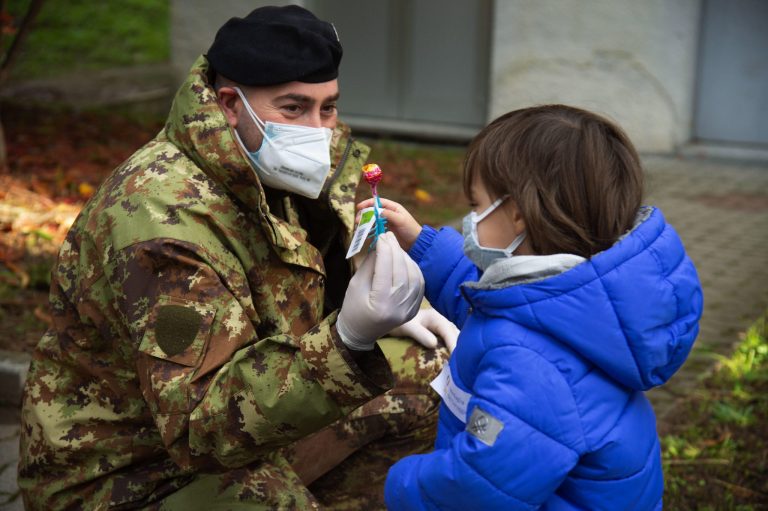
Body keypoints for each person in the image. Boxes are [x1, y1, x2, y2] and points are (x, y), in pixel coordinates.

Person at [18, 5, 456, 510]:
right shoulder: (162, 226)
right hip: (130, 473)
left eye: (328, 108)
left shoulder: (279, 160)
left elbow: (301, 272)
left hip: (248, 418)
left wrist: (379, 296)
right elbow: (199, 427)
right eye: (294, 109)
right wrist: (346, 338)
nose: (319, 131)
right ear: (230, 103)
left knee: (431, 374)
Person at [360, 105, 703, 510]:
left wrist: (399, 485)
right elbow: (493, 306)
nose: (469, 220)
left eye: (475, 206)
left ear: (517, 214)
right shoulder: (575, 300)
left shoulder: (530, 365)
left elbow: (476, 488)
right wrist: (421, 243)